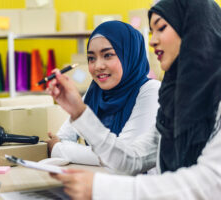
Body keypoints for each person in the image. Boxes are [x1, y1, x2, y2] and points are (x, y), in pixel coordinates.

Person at [47, 0, 221, 199]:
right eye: (152, 32)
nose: (152, 41)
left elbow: (215, 182)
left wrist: (101, 188)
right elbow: (132, 159)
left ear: (193, 27)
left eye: (161, 28)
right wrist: (78, 111)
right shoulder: (177, 96)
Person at [46, 20, 161, 171]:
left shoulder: (151, 91)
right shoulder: (95, 92)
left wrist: (60, 149)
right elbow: (63, 137)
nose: (98, 66)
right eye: (91, 58)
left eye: (108, 55)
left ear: (129, 54)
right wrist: (65, 147)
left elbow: (121, 156)